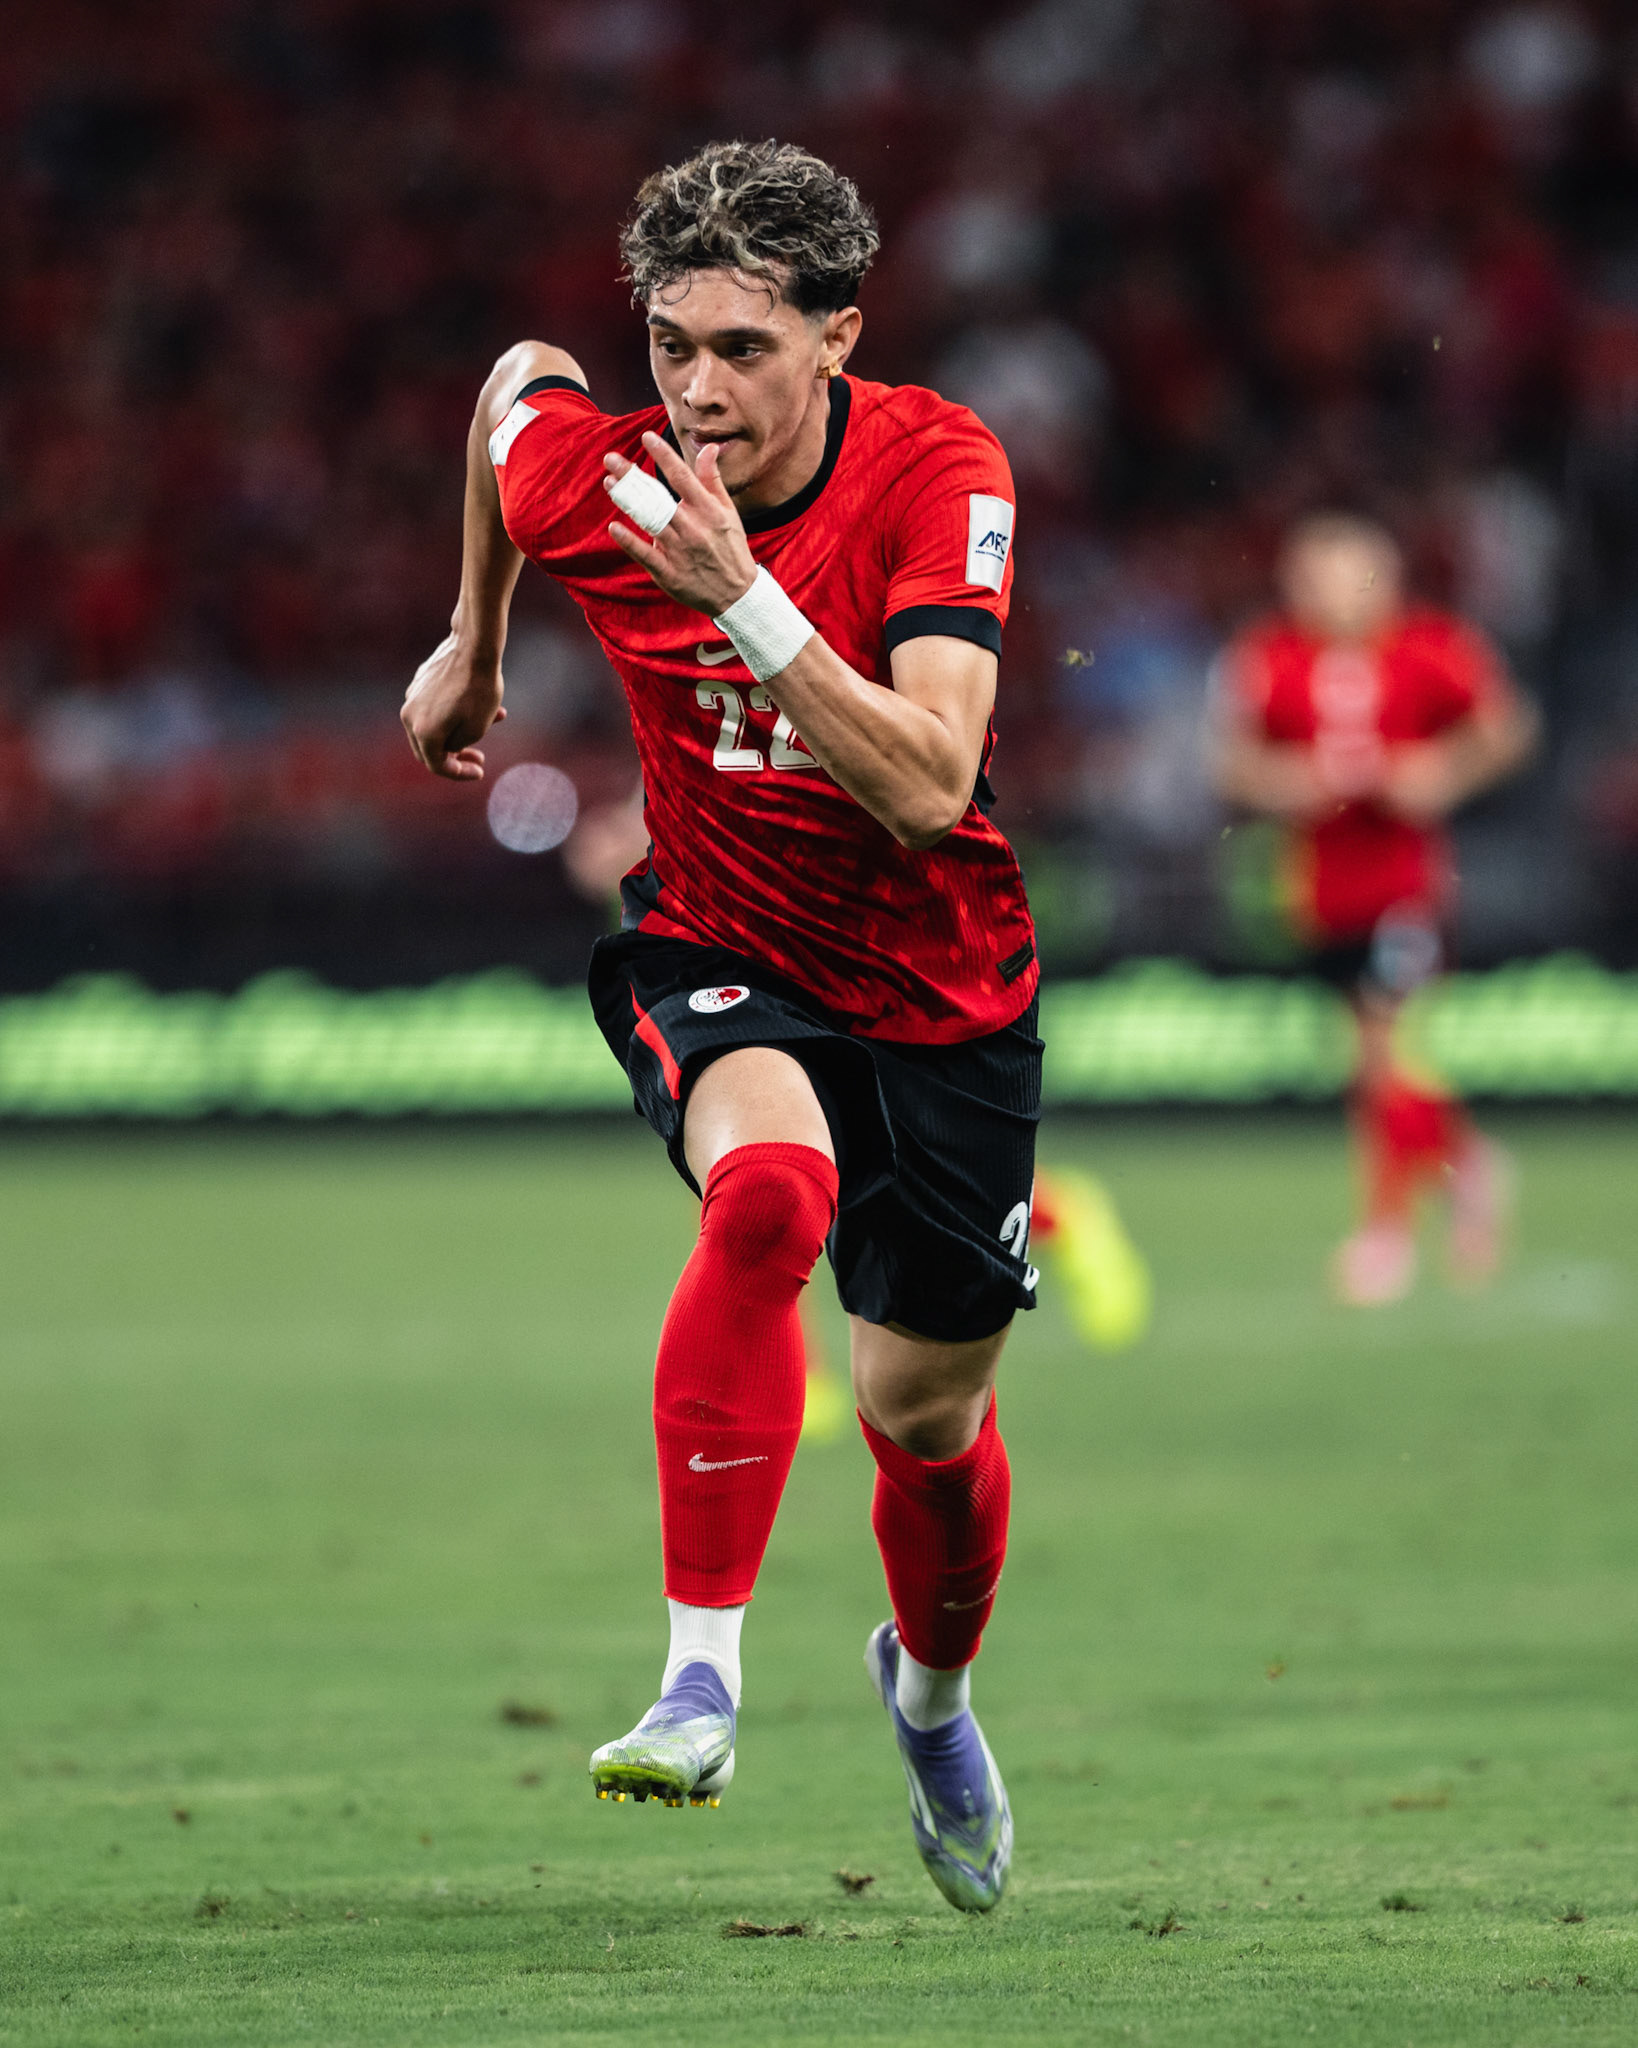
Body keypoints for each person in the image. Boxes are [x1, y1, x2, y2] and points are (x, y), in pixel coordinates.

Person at [401, 141, 1039, 1913]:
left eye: (744, 347)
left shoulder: (937, 467)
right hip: (720, 944)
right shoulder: (601, 476)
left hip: (942, 986)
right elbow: (510, 390)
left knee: (919, 1414)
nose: (696, 386)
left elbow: (926, 784)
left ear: (840, 333)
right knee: (764, 1196)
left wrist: (737, 599)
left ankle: (926, 1697)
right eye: (670, 342)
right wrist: (470, 638)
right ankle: (699, 1674)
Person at [1212, 512, 1538, 1305]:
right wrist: (1282, 783)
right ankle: (1471, 1168)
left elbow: (1509, 729)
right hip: (1320, 890)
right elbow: (1235, 763)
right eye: (1314, 573)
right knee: (1372, 1068)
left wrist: (1443, 774)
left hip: (1406, 888)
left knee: (1387, 1059)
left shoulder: (1431, 646)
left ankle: (1386, 1234)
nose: (1329, 589)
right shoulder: (1271, 657)